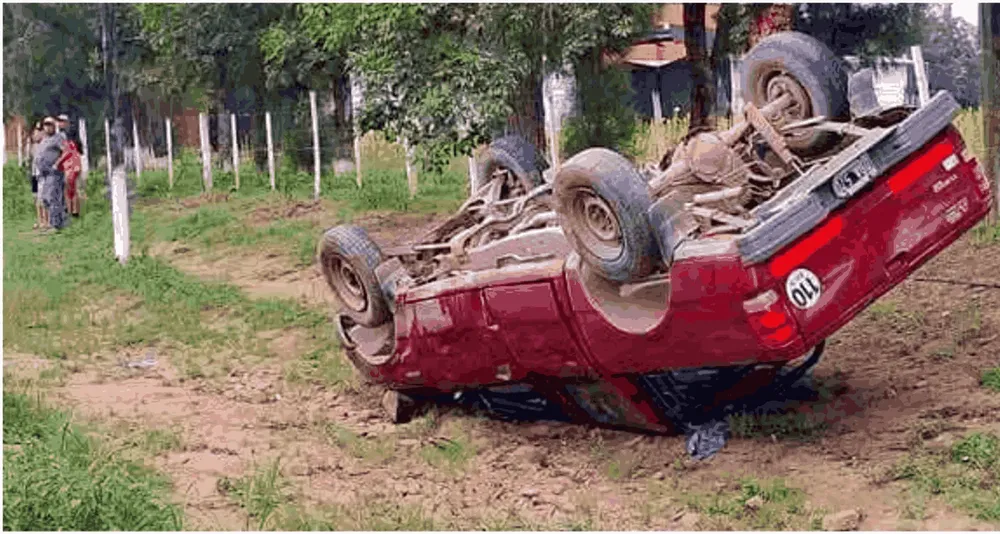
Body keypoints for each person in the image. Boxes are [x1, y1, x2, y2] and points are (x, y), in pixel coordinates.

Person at [34, 117, 68, 232]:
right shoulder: (45, 139)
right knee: (45, 198)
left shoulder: (58, 138)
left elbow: (66, 151)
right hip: (44, 173)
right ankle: (53, 222)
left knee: (53, 198)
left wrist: (57, 163)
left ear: (54, 126)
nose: (47, 127)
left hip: (54, 173)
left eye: (50, 125)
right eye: (46, 125)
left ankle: (56, 225)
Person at [56, 131, 83, 217]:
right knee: (74, 190)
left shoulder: (69, 144)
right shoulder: (75, 144)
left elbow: (65, 155)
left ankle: (70, 210)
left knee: (68, 191)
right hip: (76, 168)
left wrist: (57, 163)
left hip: (70, 169)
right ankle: (75, 210)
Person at [29, 122, 48, 230]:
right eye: (33, 133)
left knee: (43, 199)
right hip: (35, 174)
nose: (34, 135)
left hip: (43, 175)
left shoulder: (45, 145)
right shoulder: (34, 146)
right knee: (36, 198)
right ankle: (40, 220)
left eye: (36, 133)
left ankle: (46, 221)